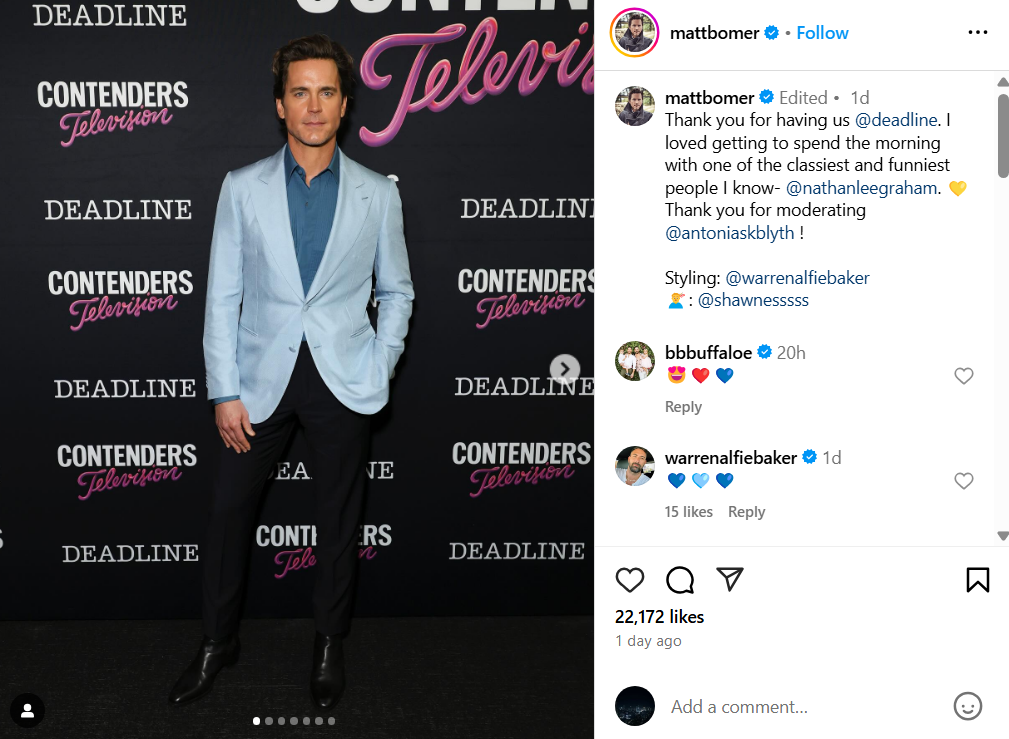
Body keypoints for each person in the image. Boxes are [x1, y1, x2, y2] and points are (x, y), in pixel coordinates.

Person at [169, 34, 414, 711]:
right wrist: (223, 389)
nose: (313, 105)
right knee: (227, 513)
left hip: (344, 378)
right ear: (280, 104)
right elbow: (221, 294)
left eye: (326, 92)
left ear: (344, 104)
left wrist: (380, 361)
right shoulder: (241, 187)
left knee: (338, 521)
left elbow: (397, 291)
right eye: (300, 92)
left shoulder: (376, 194)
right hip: (256, 382)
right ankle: (218, 641)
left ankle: (329, 641)